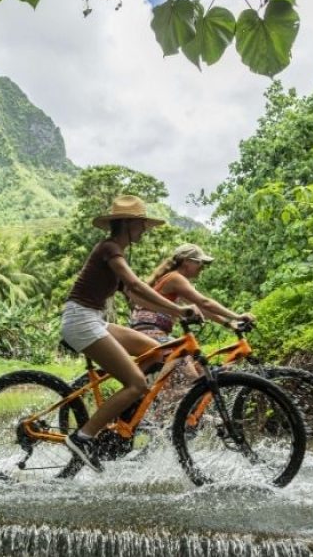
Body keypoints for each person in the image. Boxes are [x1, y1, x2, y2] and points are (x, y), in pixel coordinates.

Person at [60, 195, 201, 472]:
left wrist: (175, 312)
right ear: (127, 224)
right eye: (141, 224)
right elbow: (135, 284)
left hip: (94, 319)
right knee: (137, 383)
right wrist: (180, 309)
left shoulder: (115, 253)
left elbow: (137, 298)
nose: (144, 230)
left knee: (158, 352)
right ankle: (83, 437)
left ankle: (124, 414)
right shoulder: (110, 249)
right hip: (80, 320)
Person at [130, 242, 255, 340]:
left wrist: (228, 323)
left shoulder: (174, 279)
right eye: (200, 263)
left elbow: (202, 308)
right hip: (150, 330)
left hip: (153, 329)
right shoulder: (175, 278)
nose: (202, 268)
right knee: (186, 363)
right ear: (186, 261)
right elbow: (205, 302)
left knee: (196, 366)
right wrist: (237, 316)